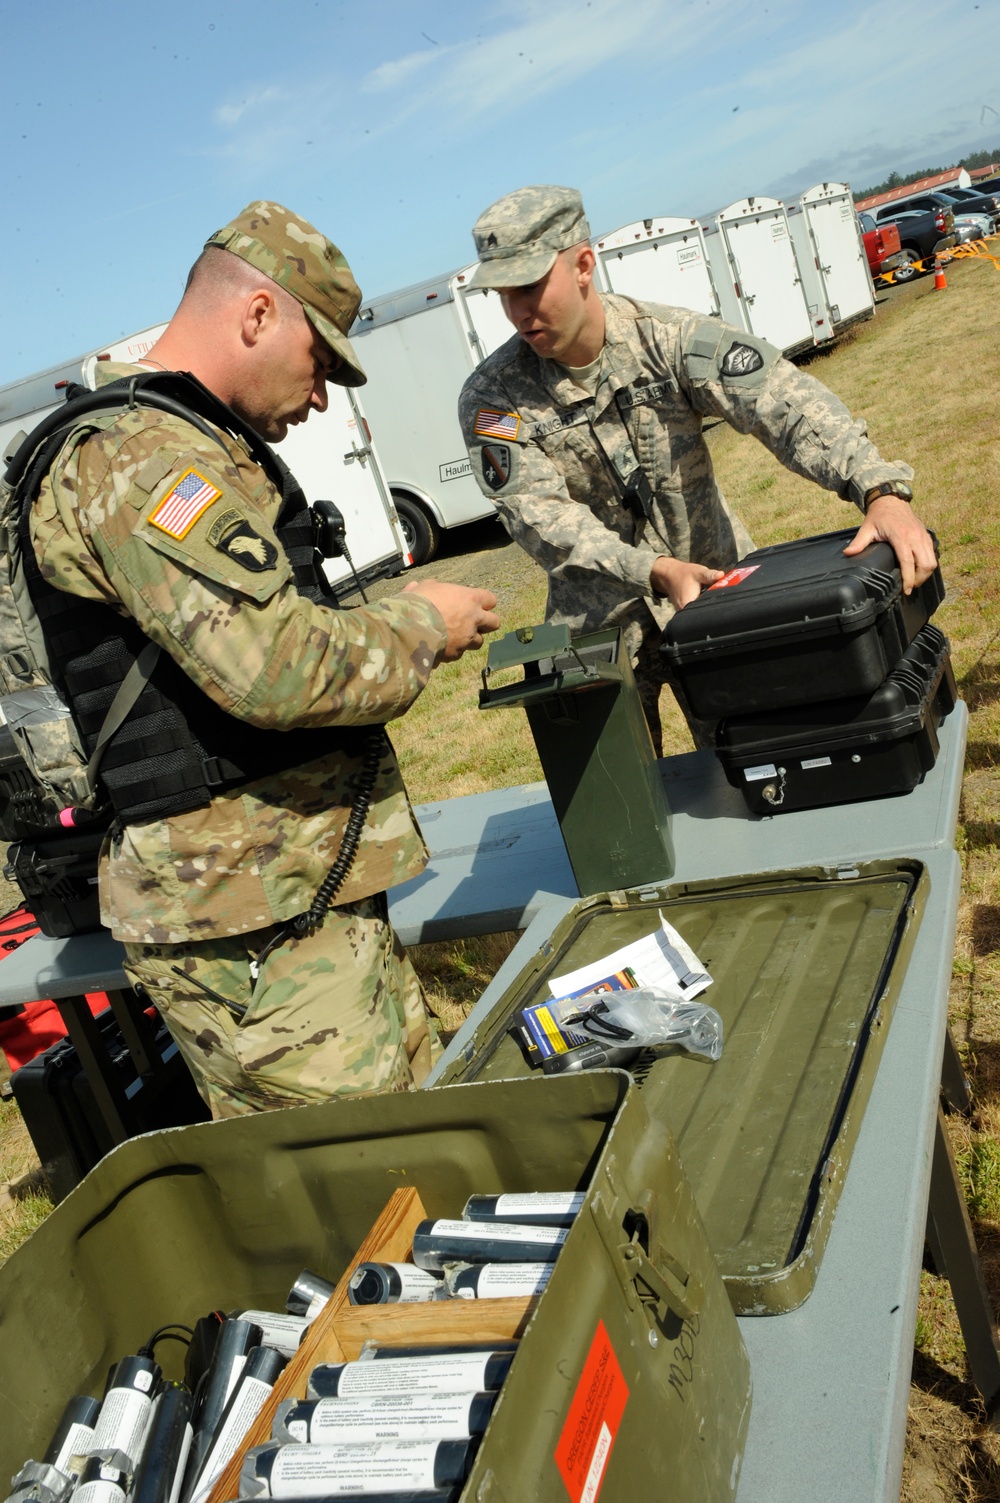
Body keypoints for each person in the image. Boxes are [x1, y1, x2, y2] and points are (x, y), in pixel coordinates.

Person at [29, 201, 500, 1118]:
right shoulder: (139, 459)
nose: (321, 395)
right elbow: (274, 666)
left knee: (421, 1140)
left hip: (288, 897)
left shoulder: (177, 445)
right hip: (248, 926)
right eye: (319, 360)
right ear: (255, 315)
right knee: (359, 1189)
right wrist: (420, 622)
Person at [458, 185, 937, 751]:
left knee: (763, 763)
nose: (517, 312)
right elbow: (541, 520)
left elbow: (782, 403)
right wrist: (652, 568)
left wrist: (878, 489)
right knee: (622, 818)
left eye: (531, 287)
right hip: (595, 632)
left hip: (716, 599)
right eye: (503, 295)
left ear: (583, 265)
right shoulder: (493, 399)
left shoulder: (669, 339)